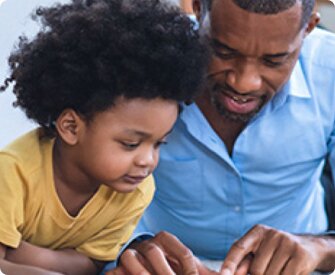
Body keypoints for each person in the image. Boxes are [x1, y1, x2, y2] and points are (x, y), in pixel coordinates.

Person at [110, 0, 335, 274]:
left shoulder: (330, 72)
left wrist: (320, 247)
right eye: (224, 52)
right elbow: (72, 180)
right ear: (197, 9)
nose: (243, 83)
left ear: (309, 27)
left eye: (273, 61)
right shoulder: (137, 66)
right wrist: (130, 247)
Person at [0, 0, 208, 273]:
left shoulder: (137, 192)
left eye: (159, 143)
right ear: (72, 127)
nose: (147, 161)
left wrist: (18, 252)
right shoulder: (12, 174)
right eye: (130, 144)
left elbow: (90, 264)